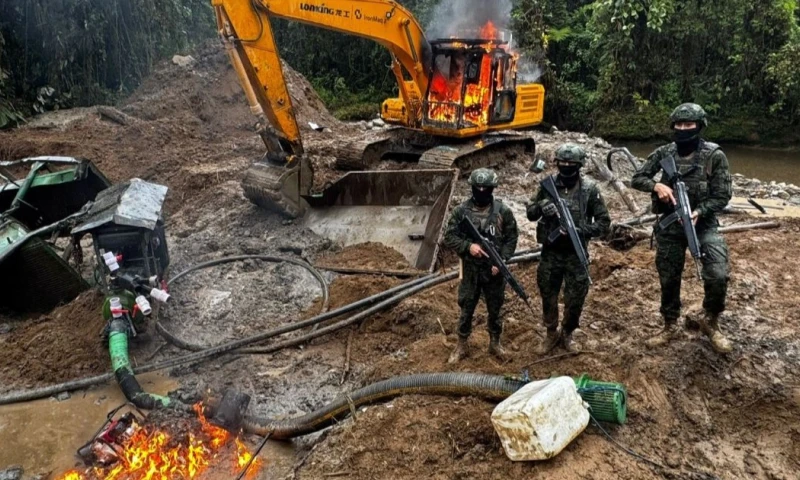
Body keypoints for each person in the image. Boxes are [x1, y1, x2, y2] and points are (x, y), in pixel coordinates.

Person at [631, 103, 732, 353]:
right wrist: (657, 187)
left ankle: (711, 321)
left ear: (700, 126)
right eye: (679, 125)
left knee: (718, 273)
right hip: (670, 226)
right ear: (673, 126)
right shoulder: (664, 153)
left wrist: (700, 211)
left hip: (703, 224)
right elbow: (637, 178)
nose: (684, 129)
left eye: (690, 125)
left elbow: (723, 195)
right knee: (668, 276)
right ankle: (670, 325)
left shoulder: (714, 155)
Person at [527, 144, 610, 353]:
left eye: (571, 164)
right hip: (551, 252)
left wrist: (580, 230)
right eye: (562, 163)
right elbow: (530, 213)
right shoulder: (547, 186)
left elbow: (603, 223)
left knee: (576, 297)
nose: (566, 167)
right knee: (548, 293)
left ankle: (568, 333)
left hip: (575, 253)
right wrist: (542, 207)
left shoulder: (589, 190)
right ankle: (551, 332)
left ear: (579, 165)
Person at [443, 168, 518, 363]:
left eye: (486, 188)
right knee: (467, 307)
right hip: (471, 270)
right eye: (478, 188)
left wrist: (501, 262)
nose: (482, 191)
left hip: (493, 272)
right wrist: (469, 247)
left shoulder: (503, 212)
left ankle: (495, 343)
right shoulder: (461, 211)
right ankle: (461, 344)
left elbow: (511, 239)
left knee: (495, 308)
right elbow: (449, 237)